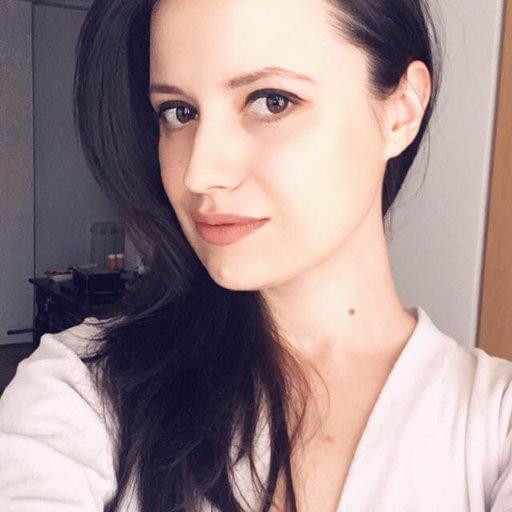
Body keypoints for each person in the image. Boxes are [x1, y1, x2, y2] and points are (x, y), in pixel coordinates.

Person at [1, 0, 511, 511]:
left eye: (271, 101)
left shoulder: (494, 426)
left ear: (401, 111)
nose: (199, 173)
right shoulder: (82, 389)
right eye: (179, 112)